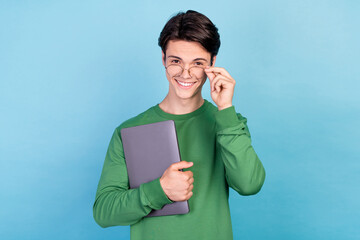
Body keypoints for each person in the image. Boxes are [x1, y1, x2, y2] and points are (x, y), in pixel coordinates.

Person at [93, 10, 266, 240]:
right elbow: (104, 212)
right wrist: (159, 191)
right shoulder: (128, 131)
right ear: (163, 58)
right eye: (176, 61)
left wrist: (225, 109)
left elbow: (249, 184)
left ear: (212, 63)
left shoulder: (228, 123)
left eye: (197, 63)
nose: (186, 73)